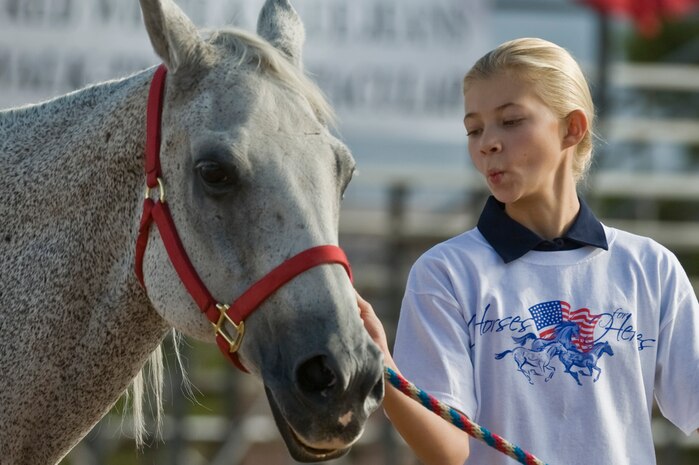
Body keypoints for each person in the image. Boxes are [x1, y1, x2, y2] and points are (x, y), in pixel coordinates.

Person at [357, 37, 699, 465]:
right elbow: (446, 451)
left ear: (572, 128)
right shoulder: (445, 273)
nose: (487, 143)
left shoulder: (651, 268)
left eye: (511, 121)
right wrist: (383, 369)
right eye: (474, 129)